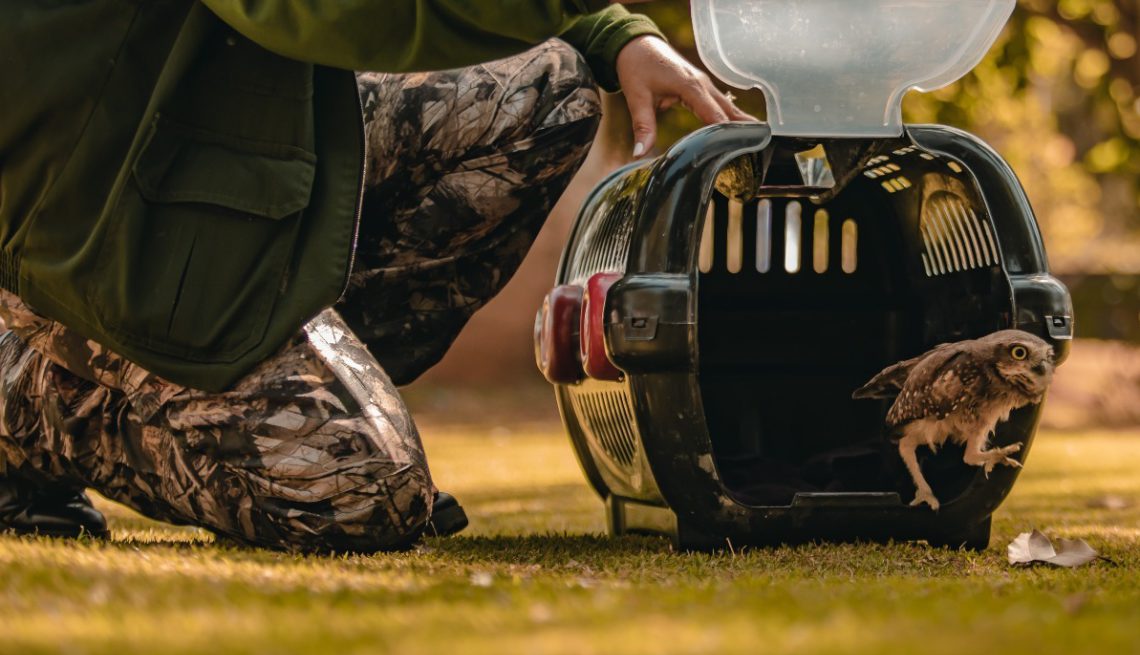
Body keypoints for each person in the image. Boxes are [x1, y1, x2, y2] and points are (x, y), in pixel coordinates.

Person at [0, 1, 750, 550]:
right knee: (362, 495)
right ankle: (33, 406)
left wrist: (613, 31)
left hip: (207, 125)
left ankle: (308, 391)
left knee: (546, 91)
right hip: (91, 224)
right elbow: (336, 12)